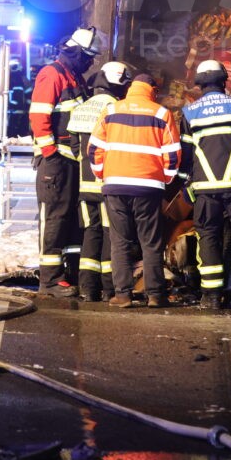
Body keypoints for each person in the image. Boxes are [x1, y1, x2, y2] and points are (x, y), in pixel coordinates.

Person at [89, 71, 182, 309]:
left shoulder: (111, 110)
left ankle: (122, 295)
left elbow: (94, 148)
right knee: (150, 242)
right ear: (152, 90)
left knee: (119, 241)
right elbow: (173, 153)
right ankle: (155, 295)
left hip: (115, 185)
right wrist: (165, 179)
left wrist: (103, 174)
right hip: (148, 187)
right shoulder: (161, 113)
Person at [180, 59, 231, 310]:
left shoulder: (189, 112)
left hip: (205, 189)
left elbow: (185, 153)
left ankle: (212, 296)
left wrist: (186, 182)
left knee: (208, 237)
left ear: (200, 84)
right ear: (223, 80)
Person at [28, 27, 98, 297]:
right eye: (88, 56)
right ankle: (49, 280)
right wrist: (50, 153)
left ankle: (67, 274)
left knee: (69, 219)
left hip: (71, 161)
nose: (90, 62)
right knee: (54, 219)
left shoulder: (73, 76)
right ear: (76, 52)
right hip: (56, 162)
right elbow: (40, 115)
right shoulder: (52, 74)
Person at [68, 61, 131, 302]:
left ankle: (87, 288)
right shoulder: (116, 109)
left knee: (90, 234)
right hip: (108, 186)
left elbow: (76, 149)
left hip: (85, 187)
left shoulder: (82, 108)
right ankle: (108, 288)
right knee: (109, 234)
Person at [6, 59, 30, 137]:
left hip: (19, 109)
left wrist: (27, 108)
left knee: (17, 128)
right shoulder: (7, 79)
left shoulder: (23, 80)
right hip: (11, 109)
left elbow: (29, 94)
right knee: (11, 128)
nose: (12, 68)